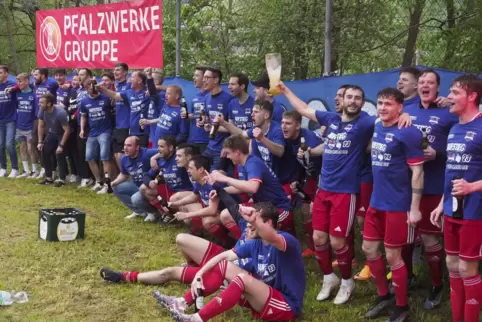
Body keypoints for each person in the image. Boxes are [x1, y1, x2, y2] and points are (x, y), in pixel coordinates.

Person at [281, 82, 375, 305]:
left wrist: (405, 116)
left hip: (345, 192)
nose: (352, 101)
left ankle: (346, 281)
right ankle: (328, 278)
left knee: (337, 241)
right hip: (323, 189)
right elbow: (303, 109)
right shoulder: (331, 120)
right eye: (349, 97)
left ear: (362, 103)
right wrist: (284, 90)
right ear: (342, 100)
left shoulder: (366, 123)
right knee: (318, 237)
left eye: (357, 98)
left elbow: (390, 118)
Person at [162, 202, 306, 322]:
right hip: (265, 296)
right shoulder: (255, 244)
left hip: (286, 305)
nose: (249, 224)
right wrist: (200, 272)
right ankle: (182, 302)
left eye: (255, 220)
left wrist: (253, 219)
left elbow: (272, 236)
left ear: (268, 223)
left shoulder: (286, 241)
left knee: (242, 279)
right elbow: (223, 257)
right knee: (224, 266)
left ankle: (195, 319)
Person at [362, 88, 424, 322]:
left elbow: (418, 171)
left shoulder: (409, 132)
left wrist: (415, 207)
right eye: (380, 103)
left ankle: (402, 306)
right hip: (376, 202)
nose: (382, 107)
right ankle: (383, 296)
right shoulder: (378, 125)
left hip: (398, 205)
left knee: (393, 256)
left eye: (388, 104)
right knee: (369, 249)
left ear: (400, 107)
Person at [402, 69, 458, 309]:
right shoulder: (407, 111)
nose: (425, 85)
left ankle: (437, 285)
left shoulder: (449, 112)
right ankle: (407, 278)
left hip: (435, 184)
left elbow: (462, 147)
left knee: (428, 237)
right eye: (422, 81)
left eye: (430, 82)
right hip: (406, 185)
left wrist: (439, 154)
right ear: (417, 87)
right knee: (402, 236)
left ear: (437, 87)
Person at [430, 74, 482, 322]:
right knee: (451, 265)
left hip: (475, 211)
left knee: (466, 268)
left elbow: (468, 182)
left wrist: (473, 186)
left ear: (471, 96)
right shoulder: (453, 129)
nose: (448, 97)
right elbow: (451, 171)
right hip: (452, 210)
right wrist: (442, 203)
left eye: (455, 92)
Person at [209, 135, 294, 235]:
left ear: (237, 152)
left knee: (253, 225)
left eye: (228, 153)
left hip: (278, 209)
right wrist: (222, 191)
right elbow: (243, 187)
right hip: (262, 207)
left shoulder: (253, 163)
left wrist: (225, 178)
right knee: (225, 215)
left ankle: (255, 244)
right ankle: (247, 245)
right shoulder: (245, 163)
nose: (227, 156)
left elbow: (252, 188)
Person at [281, 110, 322, 257]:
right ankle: (313, 247)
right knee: (305, 211)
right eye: (282, 123)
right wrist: (297, 180)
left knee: (318, 212)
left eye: (288, 123)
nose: (284, 126)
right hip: (310, 177)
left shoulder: (310, 139)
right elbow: (299, 163)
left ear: (298, 125)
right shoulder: (289, 139)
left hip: (324, 177)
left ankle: (329, 249)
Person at [170, 155, 235, 246]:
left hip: (229, 213)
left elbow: (212, 210)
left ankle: (229, 242)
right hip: (216, 212)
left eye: (191, 168)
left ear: (200, 169)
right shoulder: (198, 181)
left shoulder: (211, 184)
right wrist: (176, 203)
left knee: (207, 221)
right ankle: (197, 232)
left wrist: (186, 215)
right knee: (188, 206)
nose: (188, 171)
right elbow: (193, 196)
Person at [140, 136, 193, 222]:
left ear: (171, 147)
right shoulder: (160, 160)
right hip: (170, 192)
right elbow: (147, 175)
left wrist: (154, 157)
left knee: (187, 221)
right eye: (158, 146)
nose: (158, 149)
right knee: (144, 188)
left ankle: (185, 216)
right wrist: (150, 182)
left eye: (161, 146)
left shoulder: (180, 159)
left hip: (185, 193)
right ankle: (168, 213)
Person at [79, 79, 114, 194]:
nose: (91, 89)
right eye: (88, 87)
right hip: (92, 132)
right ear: (85, 89)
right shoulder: (84, 101)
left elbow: (113, 108)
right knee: (89, 157)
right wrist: (82, 129)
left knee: (104, 157)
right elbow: (84, 116)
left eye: (92, 86)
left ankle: (107, 184)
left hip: (105, 131)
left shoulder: (105, 98)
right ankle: (98, 181)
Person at [99, 70, 151, 147]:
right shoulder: (129, 92)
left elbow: (155, 90)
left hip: (144, 132)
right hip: (132, 132)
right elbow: (114, 95)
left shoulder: (147, 93)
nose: (129, 79)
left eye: (132, 77)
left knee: (141, 157)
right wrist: (101, 89)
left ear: (139, 80)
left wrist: (149, 76)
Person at [111, 136, 158, 220]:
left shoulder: (146, 153)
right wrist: (114, 182)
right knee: (116, 188)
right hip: (136, 185)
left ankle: (152, 212)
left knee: (135, 199)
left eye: (129, 145)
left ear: (137, 147)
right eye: (125, 145)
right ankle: (139, 211)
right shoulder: (124, 158)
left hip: (149, 187)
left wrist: (154, 158)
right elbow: (123, 174)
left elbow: (163, 151)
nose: (125, 148)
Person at [201, 67, 233, 170]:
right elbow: (207, 119)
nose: (203, 80)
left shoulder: (228, 99)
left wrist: (213, 127)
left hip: (222, 149)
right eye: (203, 77)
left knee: (216, 182)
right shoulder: (206, 98)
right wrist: (203, 123)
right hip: (209, 146)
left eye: (206, 78)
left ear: (216, 80)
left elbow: (233, 128)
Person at [36, 93, 71, 186]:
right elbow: (41, 126)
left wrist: (61, 145)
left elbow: (67, 130)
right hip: (52, 133)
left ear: (49, 103)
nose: (39, 104)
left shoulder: (60, 113)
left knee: (59, 154)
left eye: (42, 102)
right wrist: (40, 142)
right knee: (44, 151)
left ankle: (62, 179)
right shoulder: (42, 110)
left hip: (62, 134)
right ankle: (48, 178)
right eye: (39, 102)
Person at [55, 68, 79, 183]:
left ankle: (76, 173)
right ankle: (69, 172)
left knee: (74, 149)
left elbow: (73, 108)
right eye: (56, 75)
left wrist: (63, 109)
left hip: (71, 123)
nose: (58, 78)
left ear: (65, 76)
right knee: (67, 149)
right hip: (61, 123)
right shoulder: (57, 89)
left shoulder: (70, 89)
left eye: (61, 75)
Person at [14, 73, 37, 178]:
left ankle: (35, 170)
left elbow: (36, 113)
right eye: (18, 81)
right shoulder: (17, 94)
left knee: (30, 148)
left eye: (21, 81)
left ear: (27, 81)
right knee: (22, 148)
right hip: (20, 125)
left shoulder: (33, 94)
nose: (19, 83)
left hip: (30, 125)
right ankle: (26, 170)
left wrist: (34, 126)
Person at [111, 63, 131, 168]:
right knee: (116, 154)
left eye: (118, 70)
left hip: (126, 124)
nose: (115, 72)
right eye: (114, 70)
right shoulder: (117, 85)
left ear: (125, 72)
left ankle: (128, 180)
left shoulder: (129, 84)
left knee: (123, 155)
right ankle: (122, 179)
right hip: (117, 125)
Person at [0, 65, 19, 178]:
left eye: (1, 72)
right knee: (0, 145)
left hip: (11, 119)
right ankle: (3, 168)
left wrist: (13, 88)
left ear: (6, 73)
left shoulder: (12, 84)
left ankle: (15, 168)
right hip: (0, 120)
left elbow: (25, 84)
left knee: (9, 144)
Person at [187, 66, 209, 153]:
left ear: (204, 78)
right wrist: (188, 115)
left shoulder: (211, 96)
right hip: (193, 140)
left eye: (196, 76)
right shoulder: (195, 96)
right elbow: (192, 114)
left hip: (207, 141)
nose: (193, 78)